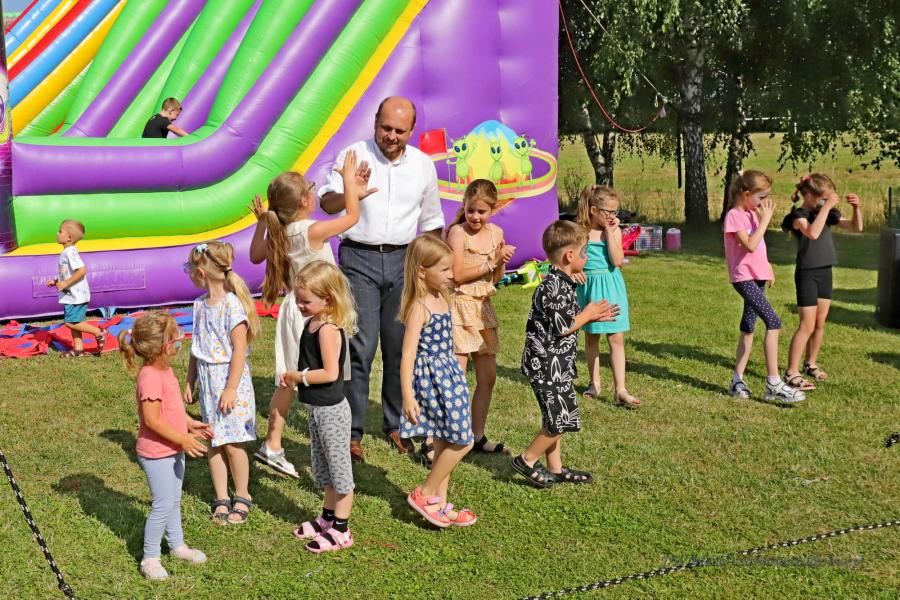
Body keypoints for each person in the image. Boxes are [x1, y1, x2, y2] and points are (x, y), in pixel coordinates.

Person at [320, 96, 445, 462]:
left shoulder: (422, 165)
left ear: (412, 130)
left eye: (399, 130)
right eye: (385, 127)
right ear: (375, 122)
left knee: (400, 344)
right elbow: (327, 203)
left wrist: (433, 272)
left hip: (405, 260)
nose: (391, 135)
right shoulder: (354, 154)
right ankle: (351, 431)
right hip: (359, 257)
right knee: (360, 345)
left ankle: (397, 424)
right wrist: (351, 192)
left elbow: (432, 223)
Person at [249, 152, 364, 478]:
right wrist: (349, 183)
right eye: (311, 189)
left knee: (289, 379)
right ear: (304, 201)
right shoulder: (310, 229)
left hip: (294, 310)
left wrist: (262, 221)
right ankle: (315, 442)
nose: (314, 193)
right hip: (314, 313)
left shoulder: (280, 230)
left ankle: (273, 443)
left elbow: (255, 255)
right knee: (322, 376)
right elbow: (352, 217)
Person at [513, 221, 619, 488]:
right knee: (560, 419)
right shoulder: (553, 286)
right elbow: (562, 327)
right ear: (570, 256)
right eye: (585, 252)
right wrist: (588, 313)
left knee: (556, 416)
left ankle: (556, 468)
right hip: (546, 365)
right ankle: (526, 460)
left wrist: (593, 315)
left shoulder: (563, 282)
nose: (587, 256)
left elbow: (564, 319)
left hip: (557, 364)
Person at [118, 311, 212, 580]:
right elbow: (152, 420)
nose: (180, 340)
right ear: (160, 347)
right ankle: (150, 558)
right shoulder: (150, 377)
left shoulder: (166, 370)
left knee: (174, 500)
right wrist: (182, 439)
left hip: (173, 448)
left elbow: (172, 409)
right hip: (157, 453)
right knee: (162, 504)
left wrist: (189, 424)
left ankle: (177, 545)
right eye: (175, 338)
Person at [399, 235, 477, 527]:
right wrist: (408, 395)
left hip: (449, 375)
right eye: (444, 269)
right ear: (422, 271)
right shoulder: (419, 307)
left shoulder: (442, 297)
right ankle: (425, 493)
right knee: (464, 440)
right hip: (432, 380)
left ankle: (439, 505)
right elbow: (407, 355)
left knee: (445, 440)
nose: (450, 275)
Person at [281, 262, 357, 553]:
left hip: (332, 411)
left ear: (327, 299)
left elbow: (330, 373)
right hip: (317, 409)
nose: (299, 305)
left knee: (340, 473)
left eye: (306, 301)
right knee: (324, 468)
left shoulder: (327, 329)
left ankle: (342, 529)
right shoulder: (311, 323)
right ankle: (327, 517)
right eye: (298, 299)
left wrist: (297, 377)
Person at [183, 241, 261, 524]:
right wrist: (190, 379)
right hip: (208, 383)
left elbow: (239, 350)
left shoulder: (232, 306)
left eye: (190, 268)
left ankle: (242, 494)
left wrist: (230, 388)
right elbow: (196, 348)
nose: (188, 273)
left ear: (201, 273)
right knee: (214, 441)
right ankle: (221, 497)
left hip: (230, 383)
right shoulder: (199, 305)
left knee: (233, 444)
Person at [443, 179, 515, 466]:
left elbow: (496, 278)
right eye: (471, 210)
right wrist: (491, 261)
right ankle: (450, 437)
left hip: (484, 307)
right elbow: (457, 275)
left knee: (488, 377)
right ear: (464, 206)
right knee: (457, 378)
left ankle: (477, 435)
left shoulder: (497, 232)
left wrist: (501, 261)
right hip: (461, 305)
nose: (475, 217)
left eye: (482, 212)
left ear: (492, 210)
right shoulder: (457, 233)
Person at [723, 170, 805, 405]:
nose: (764, 202)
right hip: (743, 278)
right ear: (746, 194)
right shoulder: (734, 216)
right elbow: (749, 245)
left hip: (756, 276)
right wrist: (766, 219)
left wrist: (767, 267)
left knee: (748, 327)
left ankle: (737, 381)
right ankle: (774, 383)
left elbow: (759, 247)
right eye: (761, 197)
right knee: (773, 322)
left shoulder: (751, 214)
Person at [782, 174, 864, 390]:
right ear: (809, 196)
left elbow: (856, 227)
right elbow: (812, 233)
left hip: (825, 271)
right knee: (806, 325)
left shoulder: (825, 214)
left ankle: (810, 364)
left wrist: (856, 208)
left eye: (828, 199)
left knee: (819, 324)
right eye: (823, 198)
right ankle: (791, 372)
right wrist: (827, 207)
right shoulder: (798, 216)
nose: (826, 202)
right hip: (807, 273)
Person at [575, 184, 640, 408]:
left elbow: (617, 260)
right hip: (590, 289)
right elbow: (573, 260)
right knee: (591, 337)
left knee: (616, 338)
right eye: (609, 212)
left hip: (611, 286)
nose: (613, 216)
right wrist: (576, 272)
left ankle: (620, 389)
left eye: (615, 212)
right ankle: (594, 383)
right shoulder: (580, 232)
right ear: (594, 210)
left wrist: (611, 233)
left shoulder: (612, 231)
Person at [46, 219, 105, 357]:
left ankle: (98, 332)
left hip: (76, 295)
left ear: (69, 237)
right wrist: (56, 281)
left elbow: (82, 270)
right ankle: (79, 349)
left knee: (70, 323)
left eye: (60, 231)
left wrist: (66, 283)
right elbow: (68, 274)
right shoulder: (66, 252)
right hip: (71, 294)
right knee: (75, 322)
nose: (57, 233)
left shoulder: (70, 252)